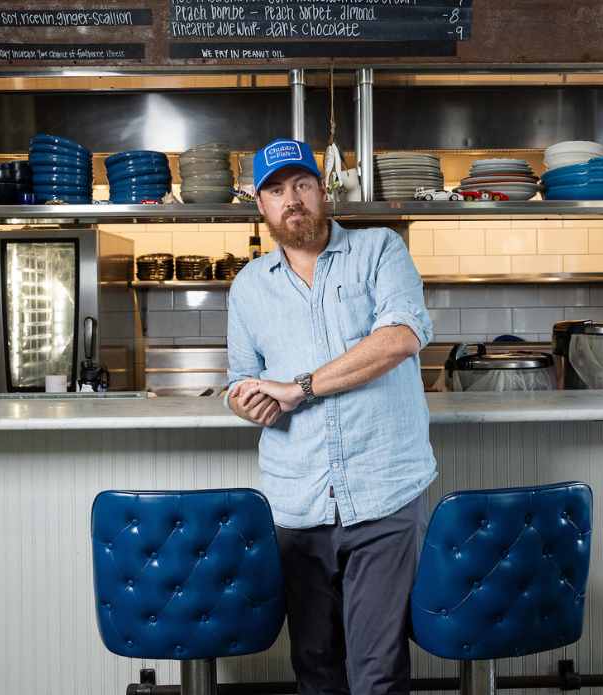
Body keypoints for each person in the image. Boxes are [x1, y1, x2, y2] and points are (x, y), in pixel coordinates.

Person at [225, 137, 437, 695]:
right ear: (261, 205)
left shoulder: (380, 250)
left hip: (383, 491)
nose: (291, 199)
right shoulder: (248, 287)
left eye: (301, 184)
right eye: (275, 189)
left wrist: (297, 389)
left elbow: (401, 337)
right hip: (299, 502)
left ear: (324, 191)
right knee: (315, 667)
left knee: (378, 671)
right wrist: (245, 401)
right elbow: (238, 380)